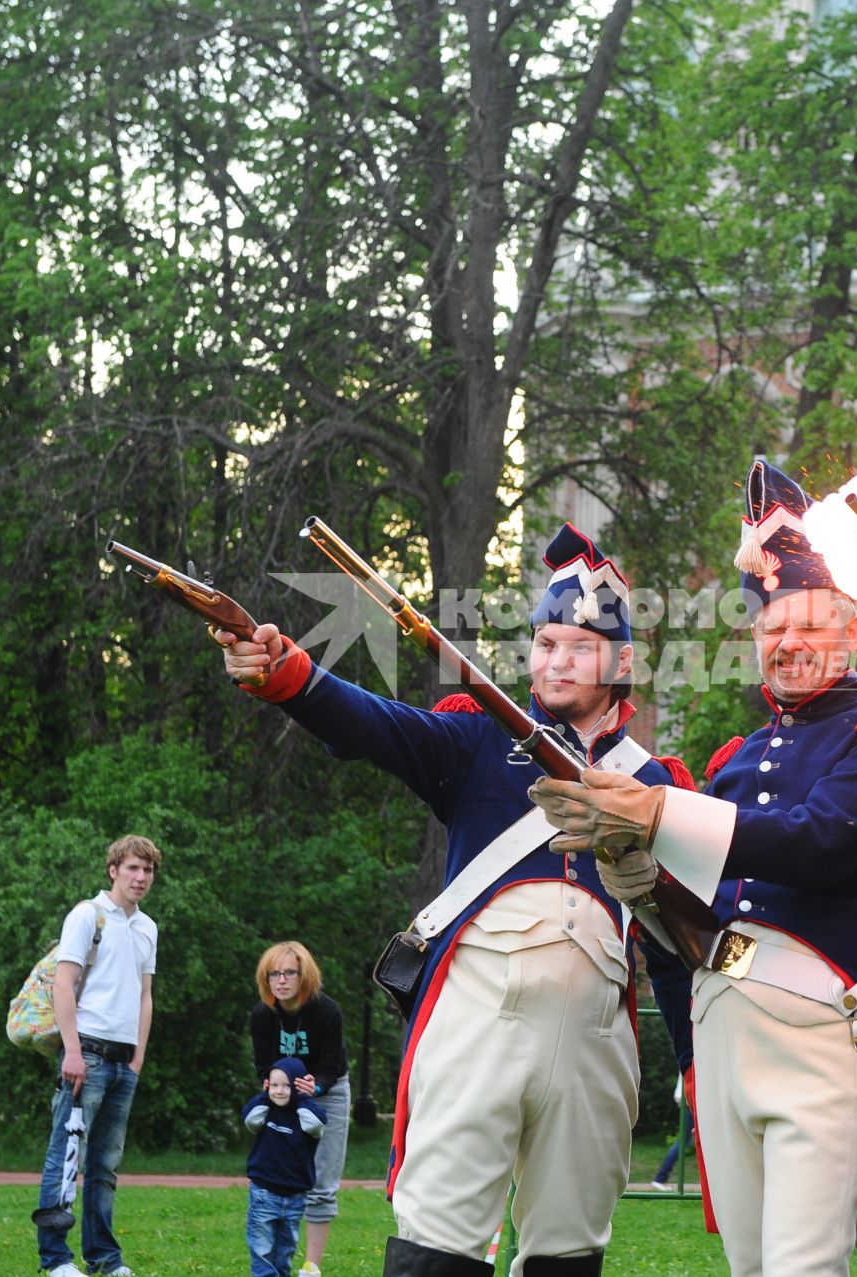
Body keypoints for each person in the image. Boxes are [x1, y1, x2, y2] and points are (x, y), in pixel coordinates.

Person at [220, 523, 692, 1277]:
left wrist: (696, 1061)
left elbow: (677, 945)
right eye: (545, 643)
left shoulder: (660, 784)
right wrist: (286, 672)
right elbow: (370, 724)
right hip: (479, 1025)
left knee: (569, 1257)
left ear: (623, 661)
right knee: (436, 1251)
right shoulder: (476, 740)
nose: (556, 658)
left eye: (579, 644)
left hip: (598, 1045)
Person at [532, 459, 857, 1277]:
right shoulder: (737, 758)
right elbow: (707, 903)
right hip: (723, 1021)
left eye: (807, 623)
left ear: (852, 630)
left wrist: (656, 811)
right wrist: (643, 881)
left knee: (801, 1267)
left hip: (821, 1027)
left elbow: (811, 840)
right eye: (769, 627)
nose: (786, 641)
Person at [34, 834, 161, 1277]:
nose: (141, 877)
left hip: (125, 1061)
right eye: (132, 868)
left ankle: (105, 1259)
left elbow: (145, 996)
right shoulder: (87, 915)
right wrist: (71, 1050)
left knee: (105, 1165)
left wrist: (138, 1058)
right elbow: (62, 983)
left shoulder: (148, 928)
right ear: (114, 870)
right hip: (84, 1053)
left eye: (147, 870)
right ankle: (55, 1260)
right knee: (66, 1156)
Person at [248, 941, 350, 1277]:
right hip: (282, 1098)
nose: (281, 980)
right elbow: (264, 1064)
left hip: (326, 1093)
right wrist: (272, 1086)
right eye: (274, 973)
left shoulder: (326, 1011)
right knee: (278, 1178)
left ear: (304, 975)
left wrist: (315, 1086)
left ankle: (311, 1266)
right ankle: (275, 1258)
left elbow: (331, 1065)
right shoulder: (262, 1015)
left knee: (321, 1183)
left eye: (289, 972)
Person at [243, 1056, 331, 1277]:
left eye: (286, 1085)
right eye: (274, 1085)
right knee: (262, 1250)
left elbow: (316, 1123)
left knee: (285, 1252)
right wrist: (264, 1096)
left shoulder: (306, 1115)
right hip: (264, 1194)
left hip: (294, 1198)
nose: (279, 1091)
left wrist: (302, 1098)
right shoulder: (265, 1109)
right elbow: (250, 1120)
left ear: (297, 1086)